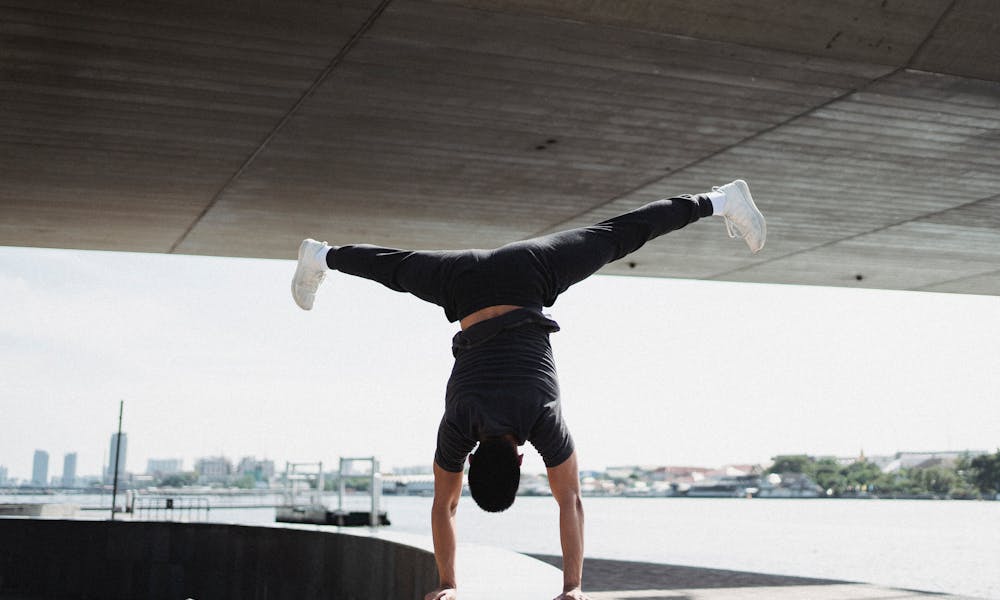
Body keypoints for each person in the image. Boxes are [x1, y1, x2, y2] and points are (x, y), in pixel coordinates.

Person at [290, 180, 765, 600]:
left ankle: (719, 199)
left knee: (619, 235)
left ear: (522, 462)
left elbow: (570, 502)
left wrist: (572, 587)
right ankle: (322, 254)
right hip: (464, 282)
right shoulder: (460, 427)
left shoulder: (542, 420)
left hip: (529, 275)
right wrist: (448, 583)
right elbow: (445, 506)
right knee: (394, 268)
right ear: (474, 461)